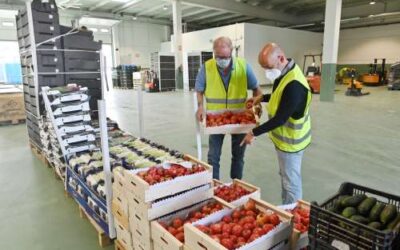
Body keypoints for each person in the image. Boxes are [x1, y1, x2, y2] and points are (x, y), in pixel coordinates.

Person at [241, 43, 312, 204]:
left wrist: (253, 133)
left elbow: (280, 119)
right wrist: (261, 98)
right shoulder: (284, 72)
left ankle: (293, 214)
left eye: (268, 67)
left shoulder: (294, 84)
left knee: (291, 182)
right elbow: (279, 97)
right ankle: (287, 207)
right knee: (286, 176)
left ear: (281, 58)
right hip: (283, 140)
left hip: (292, 142)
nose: (267, 72)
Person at [195, 36, 262, 180]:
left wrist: (255, 109)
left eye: (225, 57)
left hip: (239, 119)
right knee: (213, 156)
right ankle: (214, 185)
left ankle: (236, 184)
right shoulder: (206, 67)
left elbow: (257, 89)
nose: (222, 60)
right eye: (218, 57)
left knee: (238, 156)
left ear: (231, 51)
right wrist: (200, 106)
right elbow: (199, 90)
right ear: (213, 53)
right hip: (215, 119)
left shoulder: (243, 66)